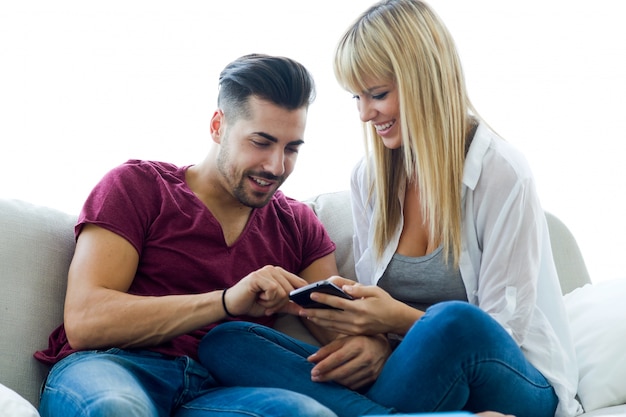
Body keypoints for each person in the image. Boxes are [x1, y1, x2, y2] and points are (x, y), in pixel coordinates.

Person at [197, 2, 583, 417]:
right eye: (357, 98)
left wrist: (394, 320)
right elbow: (374, 311)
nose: (365, 114)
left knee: (455, 322)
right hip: (413, 375)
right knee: (230, 342)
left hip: (510, 377)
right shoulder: (370, 179)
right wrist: (370, 339)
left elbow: (497, 332)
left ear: (425, 81)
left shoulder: (501, 172)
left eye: (377, 94)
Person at [33, 53, 353, 417]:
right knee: (116, 409)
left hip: (218, 391)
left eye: (291, 148)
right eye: (261, 142)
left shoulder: (297, 224)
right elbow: (85, 322)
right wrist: (226, 301)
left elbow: (344, 329)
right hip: (113, 367)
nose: (276, 166)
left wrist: (371, 348)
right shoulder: (138, 186)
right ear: (218, 126)